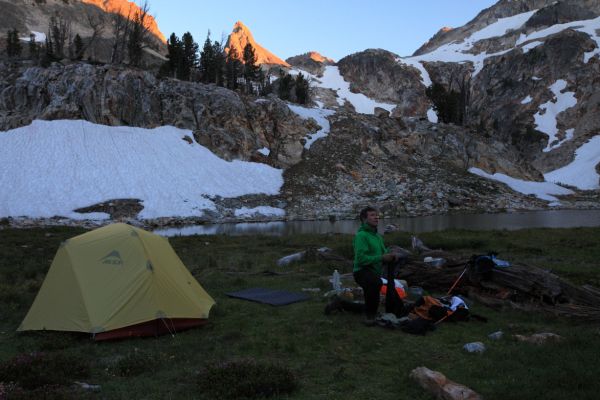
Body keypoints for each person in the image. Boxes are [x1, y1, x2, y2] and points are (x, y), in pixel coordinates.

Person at [353, 206, 396, 326]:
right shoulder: (361, 236)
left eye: (377, 215)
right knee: (375, 283)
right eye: (372, 215)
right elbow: (361, 259)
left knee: (374, 286)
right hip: (361, 271)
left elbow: (383, 254)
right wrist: (382, 258)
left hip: (373, 271)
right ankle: (370, 316)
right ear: (363, 218)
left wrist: (390, 255)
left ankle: (341, 303)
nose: (376, 217)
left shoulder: (377, 237)